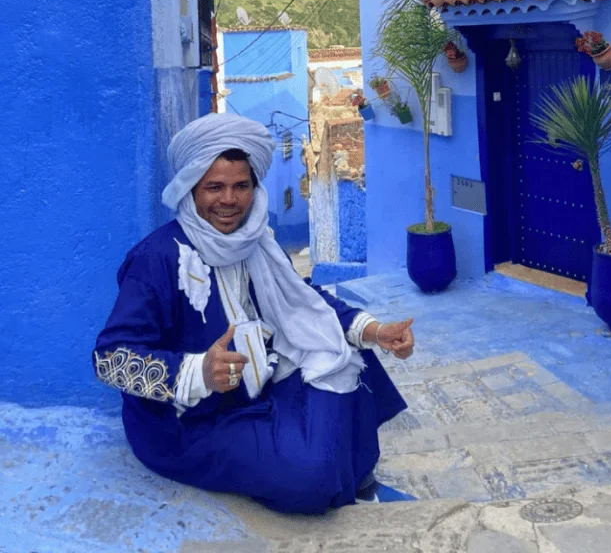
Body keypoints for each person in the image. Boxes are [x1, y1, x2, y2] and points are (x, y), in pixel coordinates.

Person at [92, 113, 416, 514]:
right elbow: (110, 359)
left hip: (259, 387)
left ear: (254, 187)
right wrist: (196, 371)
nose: (229, 200)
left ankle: (357, 475)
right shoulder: (156, 259)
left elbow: (303, 300)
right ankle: (329, 466)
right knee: (309, 478)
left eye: (240, 186)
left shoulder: (256, 239)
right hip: (191, 423)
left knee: (342, 345)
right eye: (214, 187)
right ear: (191, 189)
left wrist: (372, 329)